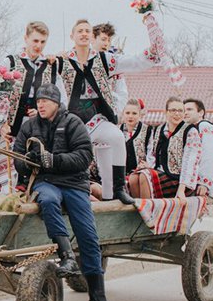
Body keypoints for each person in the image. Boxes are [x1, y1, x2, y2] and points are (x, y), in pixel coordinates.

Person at [13, 83, 117, 301]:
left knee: (89, 236)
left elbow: (84, 156)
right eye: (38, 101)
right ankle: (67, 256)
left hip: (74, 184)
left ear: (56, 104)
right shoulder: (29, 126)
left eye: (45, 101)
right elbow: (17, 158)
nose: (40, 105)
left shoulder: (73, 123)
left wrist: (51, 160)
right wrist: (27, 162)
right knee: (48, 200)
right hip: (45, 182)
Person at [56, 17, 163, 204]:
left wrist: (153, 50)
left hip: (96, 118)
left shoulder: (104, 60)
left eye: (87, 31)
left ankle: (118, 189)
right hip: (72, 121)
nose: (83, 34)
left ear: (91, 36)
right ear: (72, 35)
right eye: (79, 31)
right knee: (73, 153)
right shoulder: (61, 62)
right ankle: (72, 191)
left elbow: (133, 62)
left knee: (116, 137)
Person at [0, 21, 67, 193]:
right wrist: (0, 123)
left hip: (37, 121)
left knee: (34, 144)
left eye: (43, 42)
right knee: (3, 146)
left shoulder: (51, 66)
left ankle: (27, 179)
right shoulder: (11, 62)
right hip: (10, 118)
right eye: (35, 41)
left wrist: (46, 111)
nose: (38, 46)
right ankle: (0, 180)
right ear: (26, 38)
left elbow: (61, 98)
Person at [138, 97, 202, 199]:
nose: (177, 114)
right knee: (134, 178)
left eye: (180, 110)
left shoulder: (190, 132)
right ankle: (136, 212)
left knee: (144, 177)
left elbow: (190, 161)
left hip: (179, 179)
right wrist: (148, 165)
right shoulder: (159, 130)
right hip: (160, 172)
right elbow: (153, 154)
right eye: (173, 110)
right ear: (166, 112)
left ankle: (148, 210)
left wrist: (181, 189)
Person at [184, 98, 213, 200]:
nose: (185, 113)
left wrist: (204, 182)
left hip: (212, 182)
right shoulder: (193, 129)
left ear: (201, 112)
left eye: (189, 109)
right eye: (184, 110)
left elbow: (209, 155)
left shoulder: (205, 126)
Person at [92, 22, 129, 116]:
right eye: (103, 39)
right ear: (93, 39)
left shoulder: (114, 64)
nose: (106, 44)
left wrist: (114, 112)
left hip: (106, 113)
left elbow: (122, 93)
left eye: (109, 40)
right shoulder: (79, 59)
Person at [121, 98, 155, 175]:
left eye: (134, 113)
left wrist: (147, 164)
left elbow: (151, 151)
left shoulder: (147, 131)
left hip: (141, 172)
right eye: (127, 113)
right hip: (121, 173)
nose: (130, 116)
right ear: (123, 113)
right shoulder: (118, 131)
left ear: (140, 114)